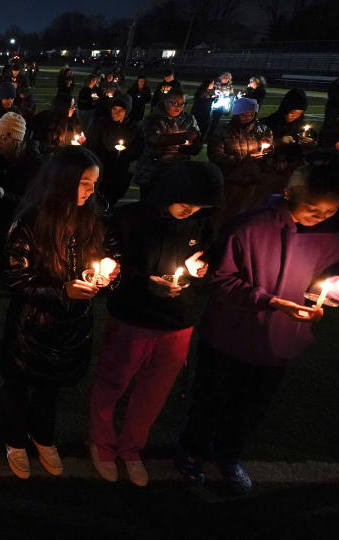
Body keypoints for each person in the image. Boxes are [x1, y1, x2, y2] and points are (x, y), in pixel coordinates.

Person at [177, 152, 339, 495]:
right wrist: (269, 301)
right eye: (314, 209)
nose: (320, 217)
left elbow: (324, 281)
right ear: (292, 194)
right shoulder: (250, 225)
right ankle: (192, 451)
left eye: (329, 212)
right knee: (210, 397)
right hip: (229, 334)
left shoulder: (332, 236)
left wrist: (326, 295)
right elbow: (220, 281)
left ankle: (229, 456)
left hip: (281, 339)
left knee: (251, 405)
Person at [89, 161, 222, 487]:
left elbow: (207, 262)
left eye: (199, 207)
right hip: (133, 317)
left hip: (178, 323)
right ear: (170, 192)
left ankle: (132, 448)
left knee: (154, 392)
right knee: (113, 383)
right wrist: (146, 282)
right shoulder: (129, 219)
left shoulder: (201, 224)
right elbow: (112, 270)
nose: (191, 212)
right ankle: (101, 444)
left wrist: (201, 270)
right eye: (186, 204)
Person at [0, 146, 120, 480]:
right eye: (83, 182)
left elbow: (111, 255)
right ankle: (13, 441)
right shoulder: (30, 221)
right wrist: (62, 290)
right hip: (31, 327)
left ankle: (43, 437)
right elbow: (15, 279)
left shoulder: (94, 218)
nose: (90, 190)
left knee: (51, 388)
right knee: (19, 386)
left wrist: (109, 273)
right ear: (63, 180)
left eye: (94, 183)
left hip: (71, 326)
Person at [0, 112, 42, 348]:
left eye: (1, 138)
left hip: (21, 231)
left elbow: (35, 201)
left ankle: (20, 326)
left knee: (18, 280)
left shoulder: (34, 164)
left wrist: (7, 197)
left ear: (15, 139)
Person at [207, 97, 276, 226]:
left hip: (253, 179)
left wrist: (264, 152)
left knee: (247, 214)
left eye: (251, 114)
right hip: (230, 179)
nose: (248, 117)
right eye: (244, 114)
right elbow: (215, 155)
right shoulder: (223, 131)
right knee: (223, 213)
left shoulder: (262, 130)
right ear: (237, 114)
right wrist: (242, 160)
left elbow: (270, 149)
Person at [133, 88, 201, 197]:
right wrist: (183, 137)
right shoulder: (153, 119)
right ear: (165, 101)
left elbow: (197, 138)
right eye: (174, 103)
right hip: (153, 170)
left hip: (178, 170)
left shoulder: (189, 119)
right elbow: (153, 139)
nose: (178, 107)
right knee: (149, 203)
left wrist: (195, 147)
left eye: (182, 104)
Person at [86, 94, 143, 207]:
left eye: (121, 110)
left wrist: (124, 155)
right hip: (102, 168)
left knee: (115, 195)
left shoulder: (134, 127)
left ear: (127, 111)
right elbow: (93, 143)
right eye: (114, 109)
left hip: (121, 170)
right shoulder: (101, 124)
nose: (116, 112)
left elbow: (139, 147)